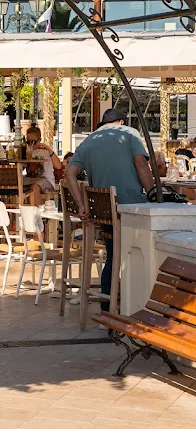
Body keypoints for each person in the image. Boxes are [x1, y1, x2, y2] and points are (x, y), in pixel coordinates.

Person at [66, 108, 153, 311]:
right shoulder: (129, 133)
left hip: (105, 212)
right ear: (121, 122)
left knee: (113, 256)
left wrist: (81, 205)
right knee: (143, 253)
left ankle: (108, 308)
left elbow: (70, 173)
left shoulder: (87, 141)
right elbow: (141, 163)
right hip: (132, 208)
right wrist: (152, 193)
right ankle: (140, 304)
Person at [25, 125, 62, 206]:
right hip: (30, 179)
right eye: (28, 142)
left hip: (46, 180)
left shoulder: (45, 151)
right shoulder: (26, 151)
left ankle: (38, 214)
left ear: (40, 140)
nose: (31, 145)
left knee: (34, 187)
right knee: (18, 184)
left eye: (33, 142)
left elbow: (58, 166)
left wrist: (48, 149)